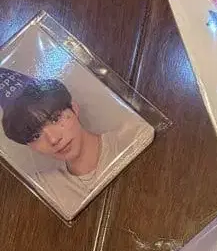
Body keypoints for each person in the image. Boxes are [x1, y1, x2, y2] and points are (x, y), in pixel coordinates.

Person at [0, 67, 153, 218]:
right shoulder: (44, 187)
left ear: (74, 108)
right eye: (35, 135)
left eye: (55, 118)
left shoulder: (133, 136)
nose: (53, 139)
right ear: (29, 146)